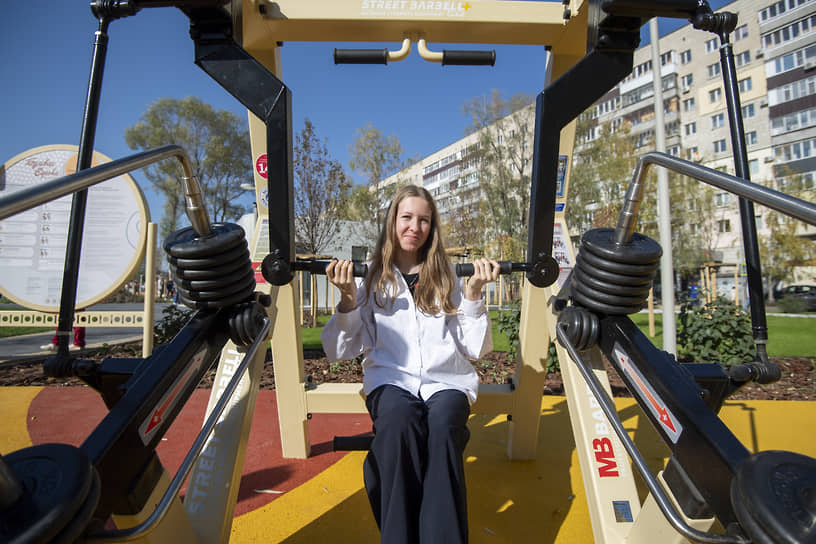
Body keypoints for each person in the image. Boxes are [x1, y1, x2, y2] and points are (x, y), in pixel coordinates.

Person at [321, 185, 499, 543]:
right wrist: (345, 301)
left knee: (444, 427)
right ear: (393, 221)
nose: (414, 227)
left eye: (423, 220)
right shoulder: (369, 277)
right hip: (392, 380)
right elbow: (341, 348)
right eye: (407, 217)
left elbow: (474, 347)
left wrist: (475, 295)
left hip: (445, 379)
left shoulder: (449, 274)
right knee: (398, 425)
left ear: (431, 228)